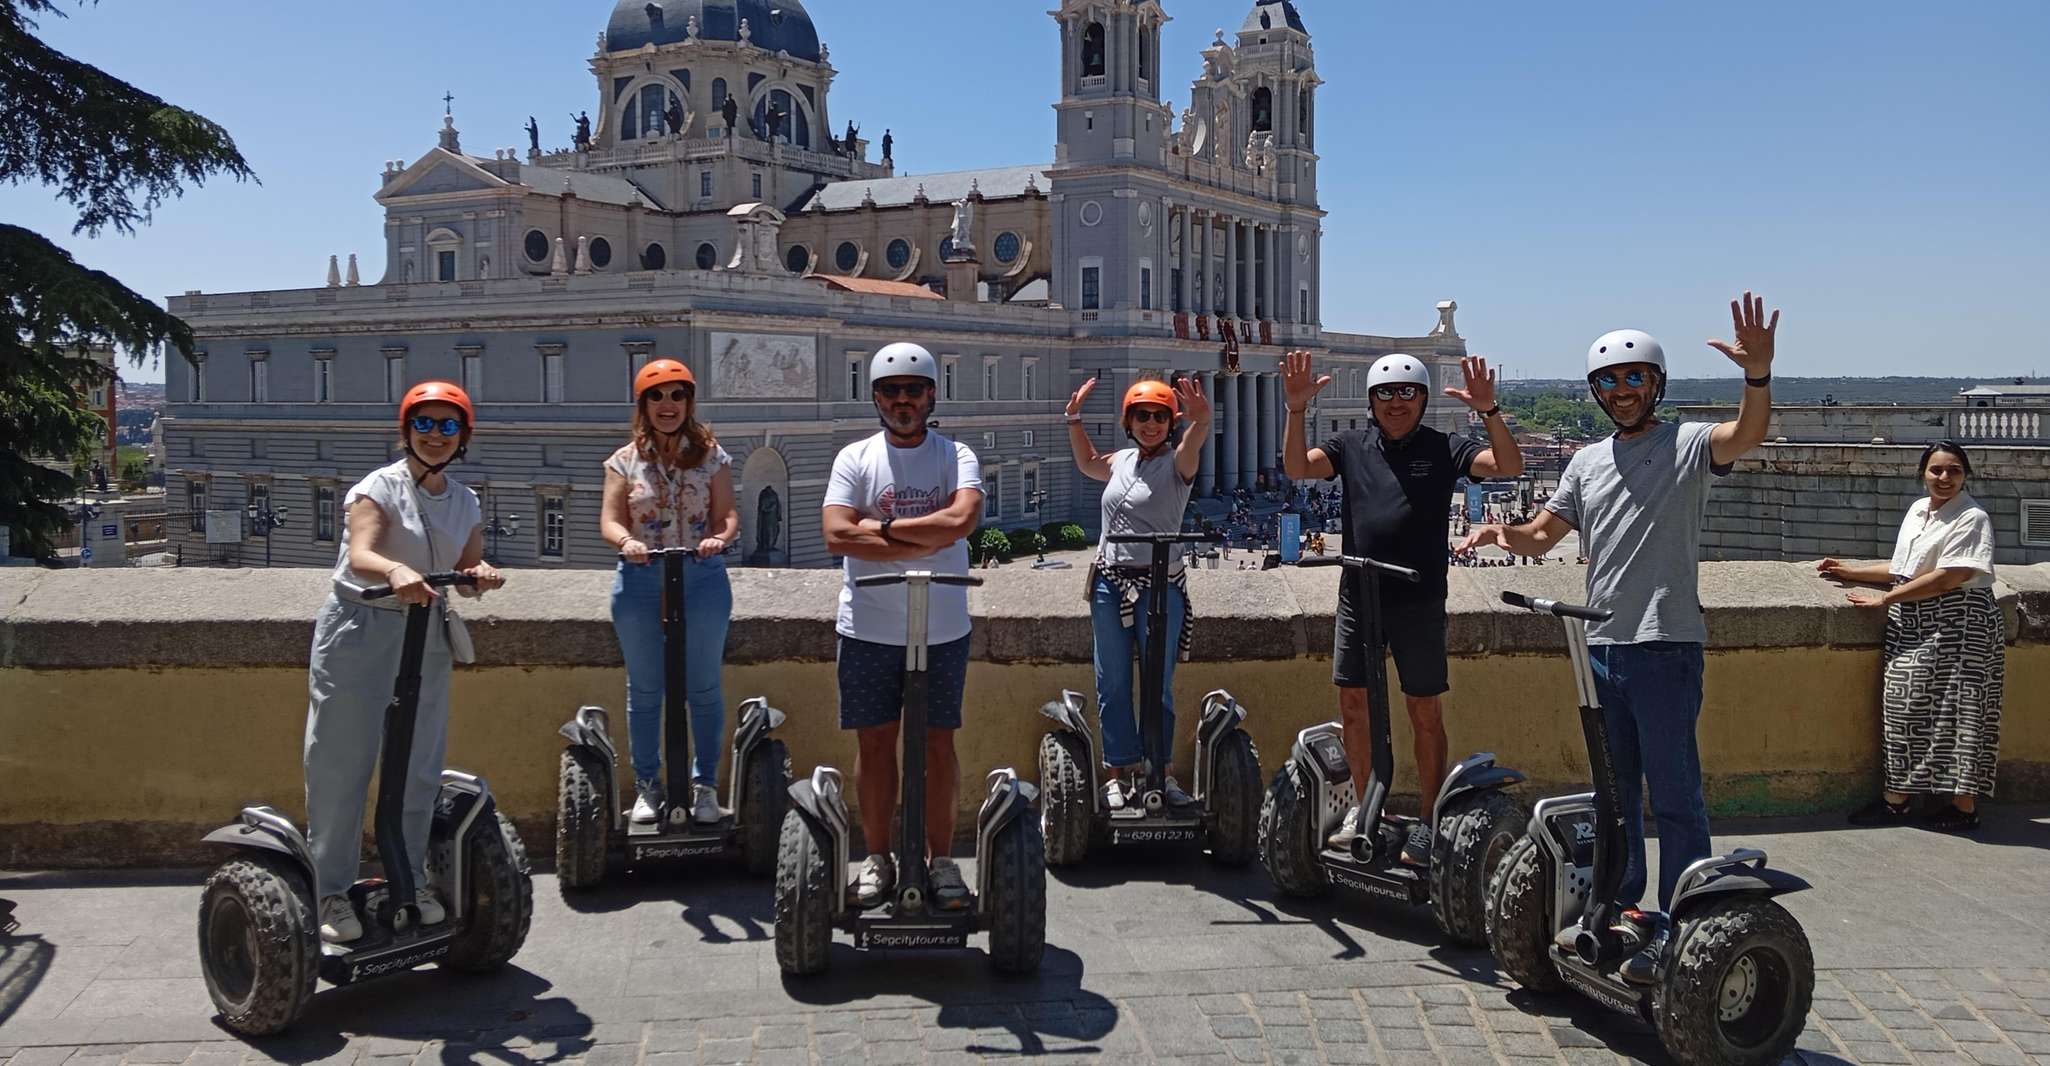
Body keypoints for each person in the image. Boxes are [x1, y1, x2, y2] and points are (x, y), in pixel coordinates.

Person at [1460, 292, 1780, 984]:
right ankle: (1629, 905)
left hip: (1665, 643)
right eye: (1608, 381)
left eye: (1635, 377)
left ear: (1656, 384)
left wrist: (1757, 377)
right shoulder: (1585, 461)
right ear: (1595, 392)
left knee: (1675, 792)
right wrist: (1501, 533)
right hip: (1600, 648)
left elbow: (1747, 435)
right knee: (1614, 792)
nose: (1622, 389)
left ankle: (1684, 921)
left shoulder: (1688, 443)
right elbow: (1544, 536)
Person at [1282, 351, 1522, 868]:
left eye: (1408, 392)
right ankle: (1368, 809)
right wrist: (1296, 411)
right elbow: (1299, 468)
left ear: (1423, 399)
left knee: (1423, 709)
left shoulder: (1443, 446)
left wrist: (1490, 411)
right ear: (1371, 401)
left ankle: (1432, 821)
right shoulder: (1351, 444)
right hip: (1360, 593)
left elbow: (1509, 465)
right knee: (1353, 703)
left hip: (1418, 594)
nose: (1397, 402)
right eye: (1386, 394)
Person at [303, 381, 504, 944]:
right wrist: (393, 571)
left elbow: (466, 562)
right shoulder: (378, 488)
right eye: (425, 424)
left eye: (447, 426)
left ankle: (408, 879)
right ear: (406, 429)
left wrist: (480, 574)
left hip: (425, 634)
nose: (435, 436)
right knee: (342, 762)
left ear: (463, 436)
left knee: (419, 763)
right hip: (360, 629)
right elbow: (362, 552)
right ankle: (331, 891)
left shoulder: (465, 499)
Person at [821, 343, 984, 910]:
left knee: (939, 745)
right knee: (875, 744)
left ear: (931, 394)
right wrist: (925, 533)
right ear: (876, 398)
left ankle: (941, 862)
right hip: (867, 626)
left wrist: (881, 526)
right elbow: (837, 535)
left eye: (913, 390)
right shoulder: (854, 458)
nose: (902, 400)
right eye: (890, 391)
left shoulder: (956, 454)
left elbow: (963, 521)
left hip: (941, 626)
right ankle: (877, 858)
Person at [1826, 440, 2004, 832]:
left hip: (1963, 624)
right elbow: (1905, 567)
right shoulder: (1917, 511)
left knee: (1961, 712)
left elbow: (1950, 576)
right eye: (1936, 470)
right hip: (1916, 621)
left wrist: (1886, 599)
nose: (1944, 478)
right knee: (1904, 708)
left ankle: (1962, 807)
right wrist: (1850, 571)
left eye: (1954, 470)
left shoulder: (1972, 517)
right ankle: (1898, 800)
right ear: (1923, 473)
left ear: (1966, 475)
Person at [599, 359, 740, 826]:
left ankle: (704, 786)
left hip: (700, 575)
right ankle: (648, 786)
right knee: (645, 690)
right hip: (641, 577)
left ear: (689, 402)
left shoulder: (712, 455)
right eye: (657, 396)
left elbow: (728, 517)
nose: (667, 405)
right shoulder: (624, 461)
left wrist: (719, 538)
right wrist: (627, 541)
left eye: (677, 395)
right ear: (643, 404)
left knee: (702, 686)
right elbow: (610, 519)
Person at [1065, 375, 1211, 809]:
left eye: (1160, 416)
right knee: (1111, 681)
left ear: (1171, 423)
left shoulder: (1178, 464)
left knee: (1157, 685)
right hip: (1111, 584)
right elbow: (1088, 462)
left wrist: (1201, 422)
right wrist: (1073, 418)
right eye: (1142, 416)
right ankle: (1117, 771)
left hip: (1159, 587)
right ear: (1129, 421)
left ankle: (1161, 772)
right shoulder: (1121, 461)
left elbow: (1192, 446)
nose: (1151, 424)